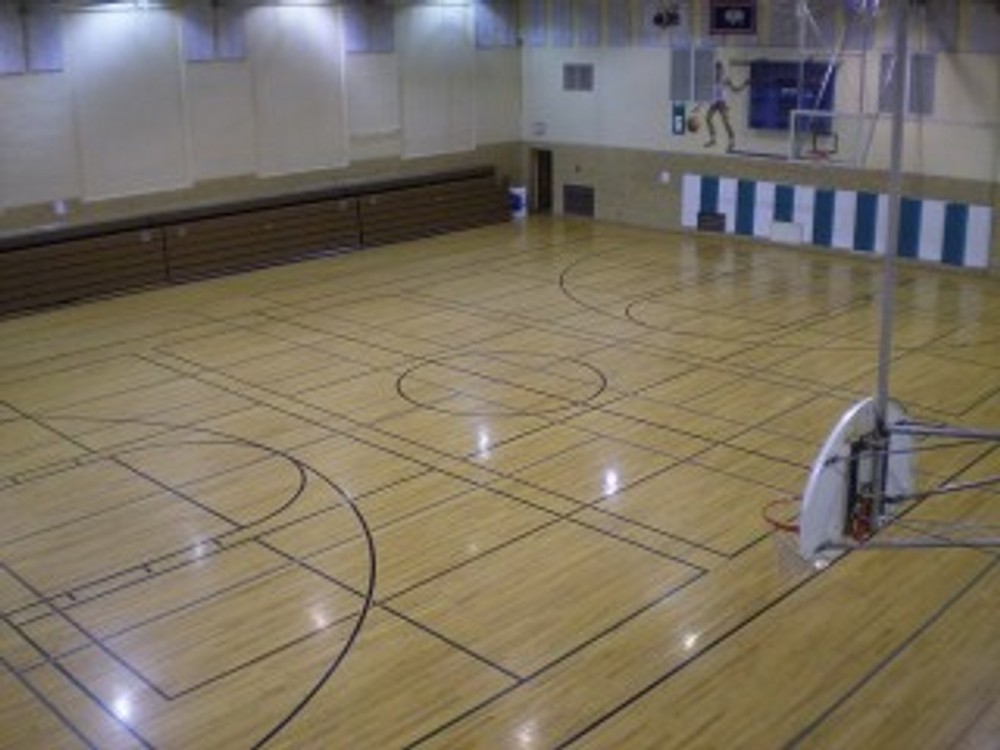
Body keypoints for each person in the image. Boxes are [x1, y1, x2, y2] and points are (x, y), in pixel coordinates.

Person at [703, 61, 748, 152]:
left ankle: (732, 141)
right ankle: (713, 139)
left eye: (719, 70)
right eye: (716, 70)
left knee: (725, 122)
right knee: (707, 118)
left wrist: (744, 84)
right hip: (714, 102)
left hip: (721, 102)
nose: (718, 72)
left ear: (722, 70)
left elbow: (736, 89)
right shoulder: (712, 79)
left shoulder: (725, 79)